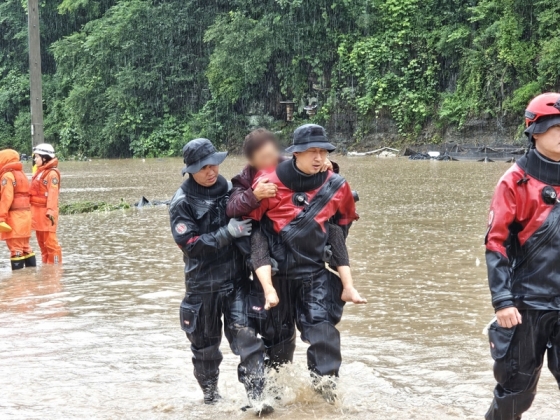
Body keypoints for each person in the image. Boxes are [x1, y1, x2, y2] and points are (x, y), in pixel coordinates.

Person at [246, 124, 359, 400]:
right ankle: (273, 399)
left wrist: (326, 246)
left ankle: (326, 397)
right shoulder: (268, 181)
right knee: (279, 347)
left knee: (324, 335)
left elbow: (343, 220)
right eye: (311, 152)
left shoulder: (337, 186)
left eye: (323, 151)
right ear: (295, 153)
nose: (318, 158)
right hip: (278, 277)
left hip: (314, 275)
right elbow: (253, 224)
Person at [168, 138, 270, 413]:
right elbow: (190, 245)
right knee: (205, 350)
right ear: (190, 169)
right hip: (202, 286)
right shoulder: (182, 202)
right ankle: (211, 399)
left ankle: (257, 399)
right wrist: (227, 233)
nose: (211, 171)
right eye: (204, 168)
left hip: (236, 282)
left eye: (214, 164)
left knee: (247, 337)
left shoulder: (231, 190)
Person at [484, 92, 560, 419]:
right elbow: (495, 243)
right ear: (535, 131)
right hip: (526, 305)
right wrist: (502, 300)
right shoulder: (514, 181)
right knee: (516, 392)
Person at [0, 149, 35, 270]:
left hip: (15, 218)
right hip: (26, 217)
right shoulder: (22, 174)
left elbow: (6, 198)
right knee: (26, 247)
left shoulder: (7, 176)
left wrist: (1, 218)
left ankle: (17, 283)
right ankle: (32, 277)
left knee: (16, 249)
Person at [30, 144, 62, 264]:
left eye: (37, 157)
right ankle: (46, 269)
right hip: (37, 213)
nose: (35, 160)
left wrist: (50, 212)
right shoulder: (39, 172)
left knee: (51, 244)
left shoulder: (52, 174)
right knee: (42, 244)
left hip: (47, 214)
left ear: (45, 158)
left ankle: (55, 268)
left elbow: (53, 195)